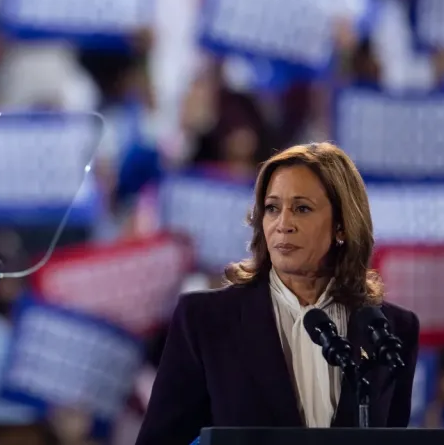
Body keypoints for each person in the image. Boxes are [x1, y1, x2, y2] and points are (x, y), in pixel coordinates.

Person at [135, 143, 420, 444]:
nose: (283, 225)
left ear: (341, 225)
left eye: (302, 208)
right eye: (272, 208)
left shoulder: (392, 331)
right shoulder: (205, 321)